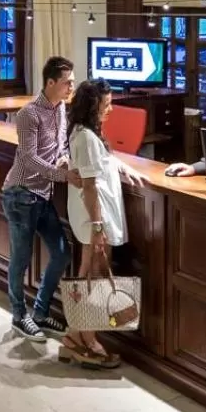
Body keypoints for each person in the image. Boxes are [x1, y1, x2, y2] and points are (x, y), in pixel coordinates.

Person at [59, 78, 145, 369]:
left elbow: (100, 161)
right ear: (92, 106)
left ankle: (74, 337)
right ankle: (89, 340)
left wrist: (120, 164)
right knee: (93, 279)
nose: (110, 110)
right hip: (94, 218)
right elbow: (90, 186)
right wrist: (97, 226)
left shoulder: (84, 133)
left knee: (88, 275)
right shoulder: (84, 137)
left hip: (92, 217)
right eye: (106, 105)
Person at [1, 56, 76, 343]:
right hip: (21, 194)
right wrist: (62, 177)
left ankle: (41, 313)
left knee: (61, 253)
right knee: (20, 260)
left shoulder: (60, 109)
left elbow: (61, 146)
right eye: (67, 82)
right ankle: (19, 316)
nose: (71, 86)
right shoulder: (28, 113)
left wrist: (66, 160)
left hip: (43, 195)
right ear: (50, 82)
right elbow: (30, 159)